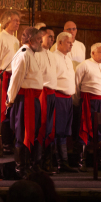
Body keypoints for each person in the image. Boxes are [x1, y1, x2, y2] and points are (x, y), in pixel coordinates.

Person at [6, 27, 44, 178]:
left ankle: (28, 165)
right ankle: (20, 169)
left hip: (33, 98)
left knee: (32, 132)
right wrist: (11, 99)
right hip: (24, 99)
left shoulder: (30, 53)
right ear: (29, 40)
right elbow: (16, 79)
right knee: (23, 133)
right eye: (38, 39)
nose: (41, 41)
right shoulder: (22, 54)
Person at [74, 43, 101, 171]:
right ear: (92, 53)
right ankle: (81, 162)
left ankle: (99, 162)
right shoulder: (84, 65)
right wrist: (77, 101)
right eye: (100, 52)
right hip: (89, 101)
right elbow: (76, 84)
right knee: (85, 128)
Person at [0, 9, 20, 156]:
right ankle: (4, 145)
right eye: (16, 20)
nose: (18, 23)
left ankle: (10, 142)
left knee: (11, 112)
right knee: (2, 111)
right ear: (7, 21)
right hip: (2, 76)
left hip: (13, 78)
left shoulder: (16, 40)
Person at [51, 31, 78, 172]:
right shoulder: (53, 57)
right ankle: (58, 162)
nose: (71, 44)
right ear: (59, 43)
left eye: (72, 42)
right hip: (58, 97)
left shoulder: (68, 58)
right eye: (68, 42)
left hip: (68, 99)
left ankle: (64, 163)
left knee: (64, 132)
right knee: (57, 131)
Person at [35, 26, 58, 172]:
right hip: (41, 93)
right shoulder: (36, 54)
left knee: (50, 128)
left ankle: (47, 163)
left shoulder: (52, 54)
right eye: (50, 36)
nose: (52, 39)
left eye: (53, 37)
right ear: (41, 37)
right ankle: (38, 163)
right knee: (41, 127)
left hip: (52, 94)